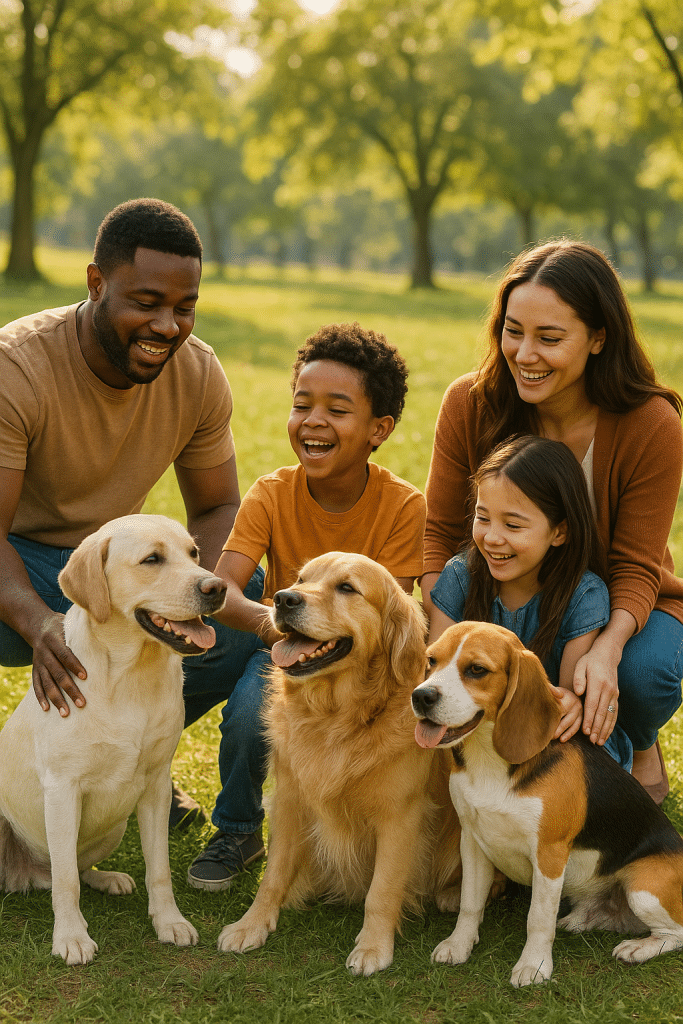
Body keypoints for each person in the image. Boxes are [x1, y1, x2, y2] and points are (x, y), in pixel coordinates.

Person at [0, 197, 264, 830]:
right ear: (97, 284)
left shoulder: (198, 375)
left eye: (184, 307)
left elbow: (220, 503)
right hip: (20, 559)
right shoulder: (17, 366)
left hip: (120, 566)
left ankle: (134, 765)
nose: (168, 326)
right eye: (146, 303)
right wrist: (42, 624)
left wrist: (179, 585)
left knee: (237, 598)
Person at [422, 239, 683, 804]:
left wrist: (606, 652)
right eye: (513, 331)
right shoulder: (470, 402)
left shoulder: (651, 423)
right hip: (502, 589)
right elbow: (439, 534)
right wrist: (444, 647)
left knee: (641, 676)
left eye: (549, 338)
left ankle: (636, 738)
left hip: (614, 598)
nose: (525, 353)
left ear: (598, 338)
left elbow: (637, 567)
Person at [186, 321, 426, 890]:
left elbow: (390, 618)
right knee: (199, 689)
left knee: (252, 713)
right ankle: (185, 806)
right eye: (302, 404)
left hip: (340, 660)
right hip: (276, 629)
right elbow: (223, 592)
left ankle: (259, 828)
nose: (313, 421)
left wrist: (313, 636)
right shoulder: (271, 492)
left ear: (379, 429)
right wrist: (278, 629)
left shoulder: (402, 507)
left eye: (337, 409)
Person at [429, 434, 632, 764]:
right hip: (465, 726)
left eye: (512, 524)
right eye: (483, 518)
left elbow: (564, 696)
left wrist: (569, 704)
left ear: (559, 532)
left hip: (542, 731)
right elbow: (435, 665)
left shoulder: (583, 595)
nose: (492, 538)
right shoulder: (460, 576)